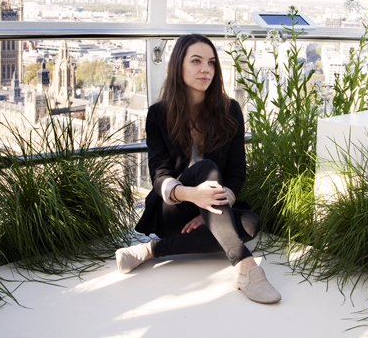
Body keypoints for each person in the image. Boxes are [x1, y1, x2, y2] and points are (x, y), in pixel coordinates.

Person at [115, 34, 280, 304]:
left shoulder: (230, 110)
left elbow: (237, 172)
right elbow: (159, 176)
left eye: (212, 63)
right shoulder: (159, 114)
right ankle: (245, 268)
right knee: (207, 168)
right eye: (196, 61)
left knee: (250, 223)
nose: (206, 69)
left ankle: (150, 250)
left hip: (212, 207)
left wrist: (209, 213)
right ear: (178, 65)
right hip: (174, 208)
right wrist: (193, 196)